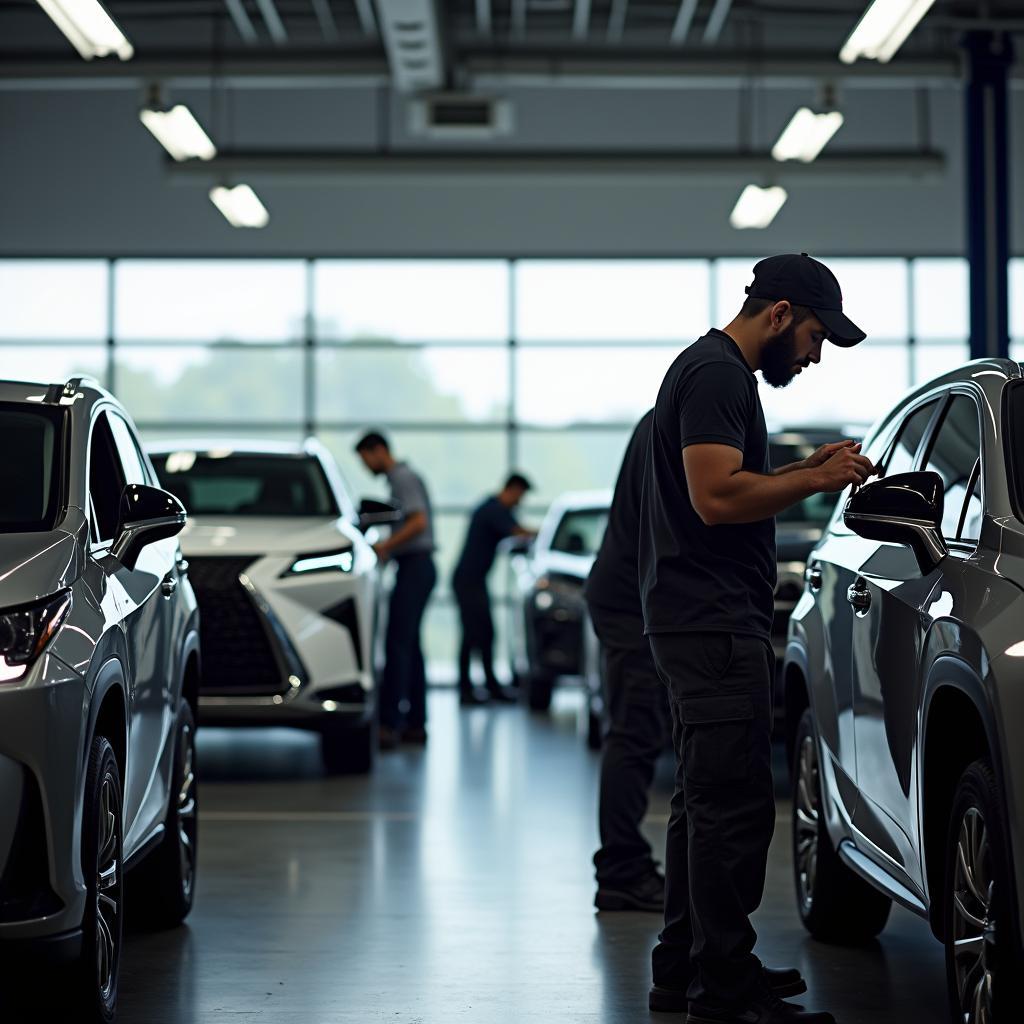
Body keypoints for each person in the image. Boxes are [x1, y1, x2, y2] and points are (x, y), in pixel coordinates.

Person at [639, 254, 874, 1024]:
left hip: (698, 618)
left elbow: (735, 480)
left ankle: (685, 969)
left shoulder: (711, 372)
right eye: (812, 336)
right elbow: (714, 497)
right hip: (710, 623)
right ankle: (724, 991)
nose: (812, 356)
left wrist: (798, 468)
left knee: (702, 806)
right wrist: (812, 482)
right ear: (777, 315)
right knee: (733, 808)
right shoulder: (717, 374)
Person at [586, 409, 672, 914]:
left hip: (632, 594)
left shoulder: (663, 416)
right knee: (634, 733)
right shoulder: (685, 417)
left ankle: (623, 866)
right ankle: (620, 871)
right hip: (631, 600)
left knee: (636, 732)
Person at [355, 432, 437, 751]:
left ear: (378, 451)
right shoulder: (402, 477)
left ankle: (390, 724)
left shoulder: (401, 478)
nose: (365, 467)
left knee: (398, 644)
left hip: (415, 566)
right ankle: (415, 723)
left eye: (365, 459)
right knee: (410, 646)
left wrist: (385, 546)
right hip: (417, 567)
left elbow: (418, 522)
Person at [452, 473, 534, 706]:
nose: (520, 501)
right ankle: (471, 689)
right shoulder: (493, 510)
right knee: (475, 634)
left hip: (473, 580)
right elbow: (519, 532)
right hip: (468, 581)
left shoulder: (493, 508)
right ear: (513, 489)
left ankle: (486, 686)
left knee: (481, 634)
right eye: (520, 495)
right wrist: (544, 532)